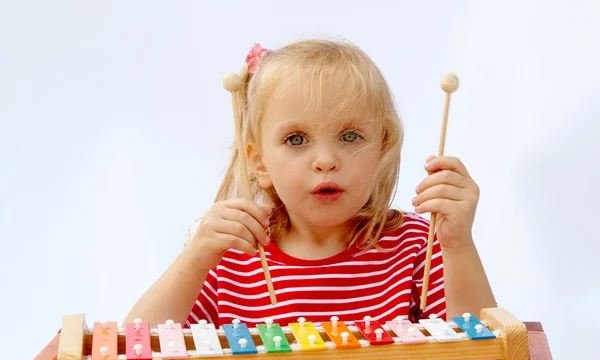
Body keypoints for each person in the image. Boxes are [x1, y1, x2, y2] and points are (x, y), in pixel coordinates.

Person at [124, 39, 496, 329]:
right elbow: (132, 349)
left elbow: (481, 349)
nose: (325, 160)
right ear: (260, 163)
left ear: (382, 148)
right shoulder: (233, 258)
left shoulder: (418, 247)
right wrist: (195, 260)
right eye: (297, 140)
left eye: (350, 136)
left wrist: (458, 243)